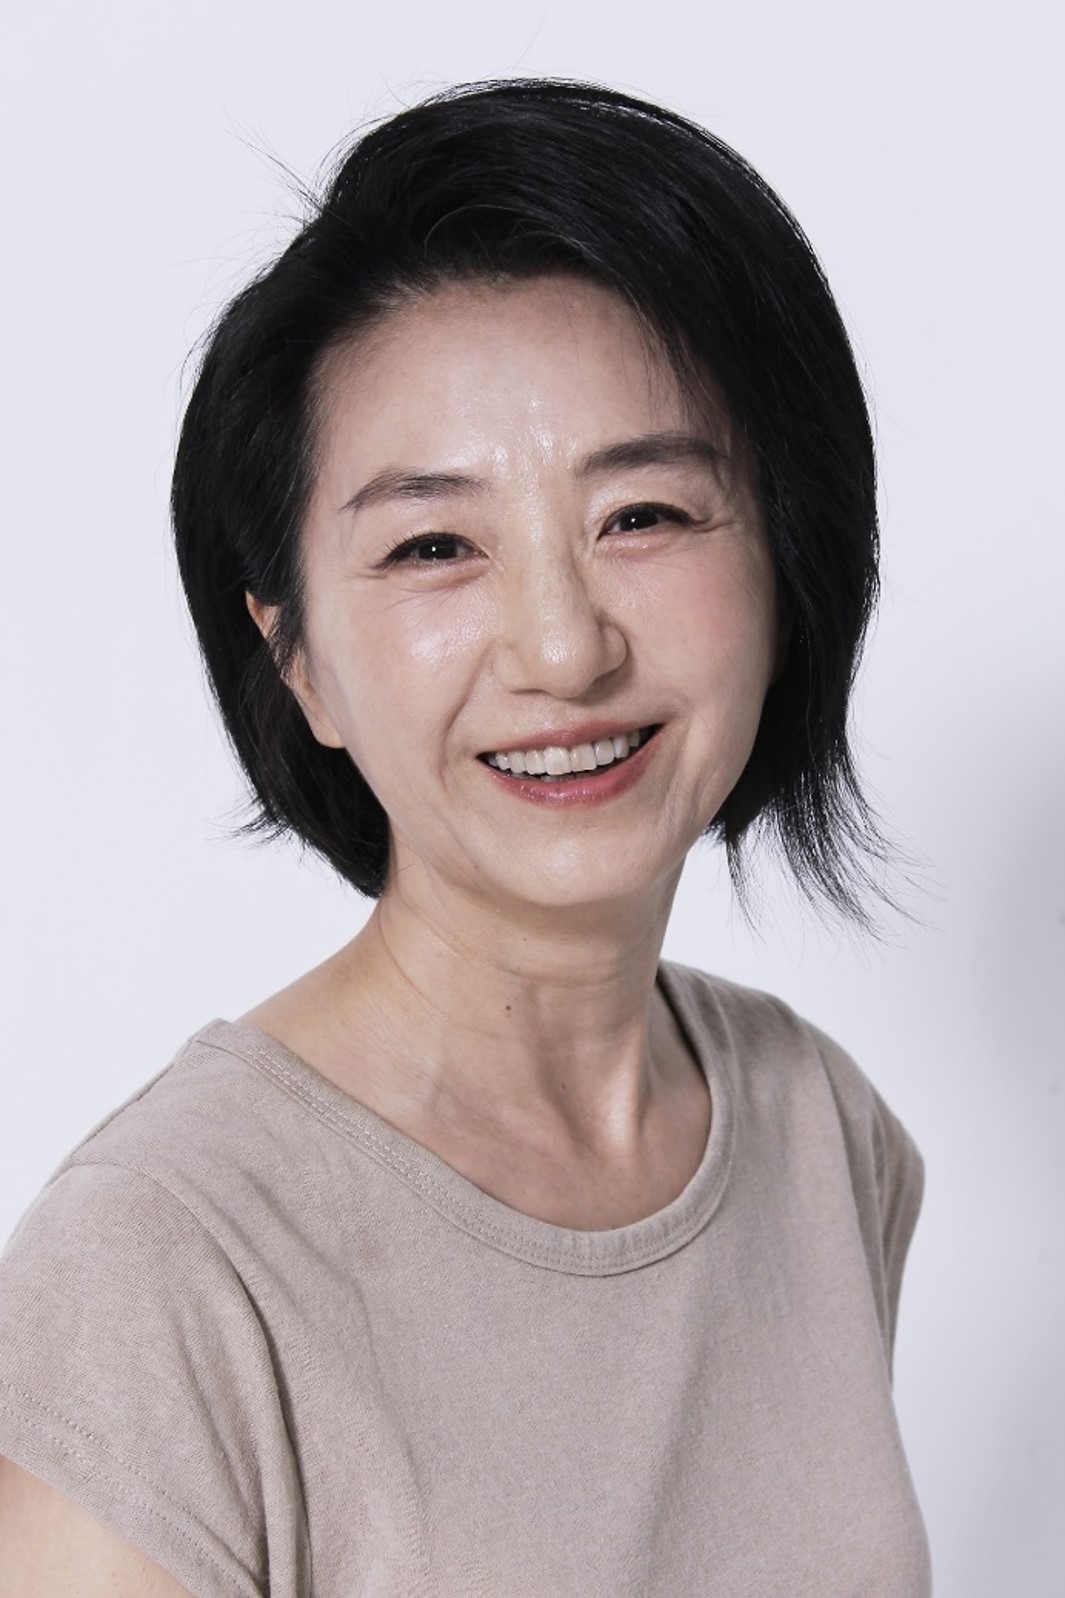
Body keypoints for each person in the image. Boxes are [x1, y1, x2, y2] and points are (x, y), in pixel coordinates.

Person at [0, 78, 930, 1596]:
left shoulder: (821, 1131)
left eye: (643, 515)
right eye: (434, 544)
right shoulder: (161, 1267)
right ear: (296, 659)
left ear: (789, 564)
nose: (562, 647)